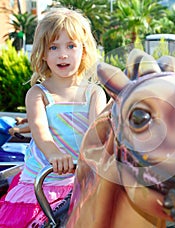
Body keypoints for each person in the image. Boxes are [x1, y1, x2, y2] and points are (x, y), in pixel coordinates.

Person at [0, 7, 107, 227]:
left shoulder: (94, 93)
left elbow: (98, 132)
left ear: (83, 51)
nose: (63, 54)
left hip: (81, 178)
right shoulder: (38, 94)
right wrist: (54, 154)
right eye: (54, 47)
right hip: (44, 179)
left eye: (71, 46)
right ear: (43, 53)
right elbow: (40, 131)